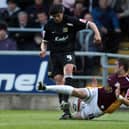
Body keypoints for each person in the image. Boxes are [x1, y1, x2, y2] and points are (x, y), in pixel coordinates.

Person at [40, 4, 101, 119]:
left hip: (68, 52)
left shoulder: (71, 21)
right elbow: (44, 41)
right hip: (54, 55)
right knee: (58, 80)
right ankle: (65, 110)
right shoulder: (49, 25)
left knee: (68, 69)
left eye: (58, 16)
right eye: (54, 17)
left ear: (62, 13)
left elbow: (91, 24)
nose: (56, 18)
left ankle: (64, 100)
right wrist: (43, 50)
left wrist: (97, 35)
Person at [38, 58, 129, 120]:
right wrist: (95, 87)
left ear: (121, 67)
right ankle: (45, 87)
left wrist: (119, 97)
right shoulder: (114, 76)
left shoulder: (127, 82)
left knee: (72, 118)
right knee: (76, 91)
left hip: (98, 108)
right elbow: (107, 90)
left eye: (116, 65)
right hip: (95, 93)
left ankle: (71, 113)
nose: (114, 67)